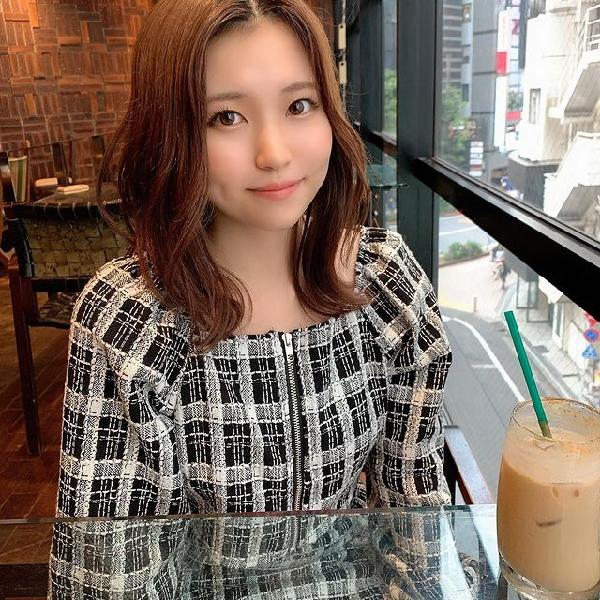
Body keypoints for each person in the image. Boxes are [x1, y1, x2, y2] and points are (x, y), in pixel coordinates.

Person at [55, 0, 452, 519]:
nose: (274, 154)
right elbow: (112, 550)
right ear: (172, 135)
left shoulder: (384, 282)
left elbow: (415, 505)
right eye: (227, 117)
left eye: (299, 105)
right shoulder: (129, 318)